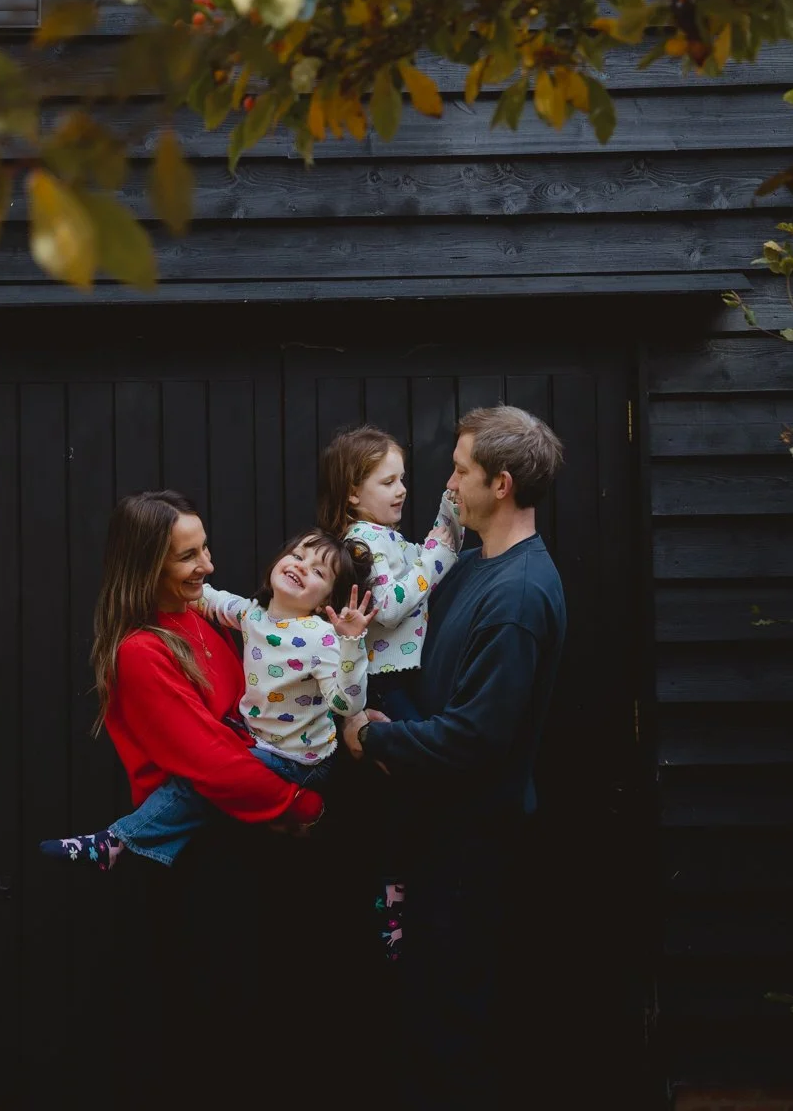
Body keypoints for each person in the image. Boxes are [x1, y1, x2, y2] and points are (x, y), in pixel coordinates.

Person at [340, 405, 567, 1111]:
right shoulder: (472, 570)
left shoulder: (519, 595)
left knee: (450, 1018)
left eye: (461, 470)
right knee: (422, 1009)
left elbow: (473, 739)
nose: (448, 483)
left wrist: (370, 738)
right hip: (432, 834)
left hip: (468, 846)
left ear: (499, 484)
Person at [38, 493, 352, 872]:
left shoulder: (196, 616)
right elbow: (211, 762)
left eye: (204, 548)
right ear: (148, 566)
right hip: (196, 847)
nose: (208, 564)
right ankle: (117, 842)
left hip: (247, 826)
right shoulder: (140, 651)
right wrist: (300, 804)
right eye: (188, 556)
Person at [316, 423, 463, 956]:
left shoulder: (386, 538)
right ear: (353, 491)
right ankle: (392, 915)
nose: (401, 490)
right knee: (403, 796)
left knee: (410, 799)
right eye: (387, 481)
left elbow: (421, 560)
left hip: (404, 681)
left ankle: (403, 903)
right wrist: (439, 555)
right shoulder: (358, 544)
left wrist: (445, 525)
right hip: (381, 686)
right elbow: (392, 602)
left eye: (403, 479)